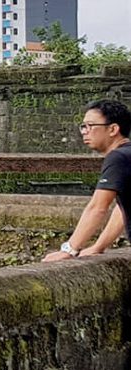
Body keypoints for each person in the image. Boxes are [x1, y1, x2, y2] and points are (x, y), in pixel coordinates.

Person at [44, 99, 131, 262]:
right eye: (83, 126)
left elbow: (97, 207)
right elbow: (123, 208)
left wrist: (69, 249)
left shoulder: (118, 157)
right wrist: (98, 246)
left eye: (90, 126)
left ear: (113, 129)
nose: (85, 131)